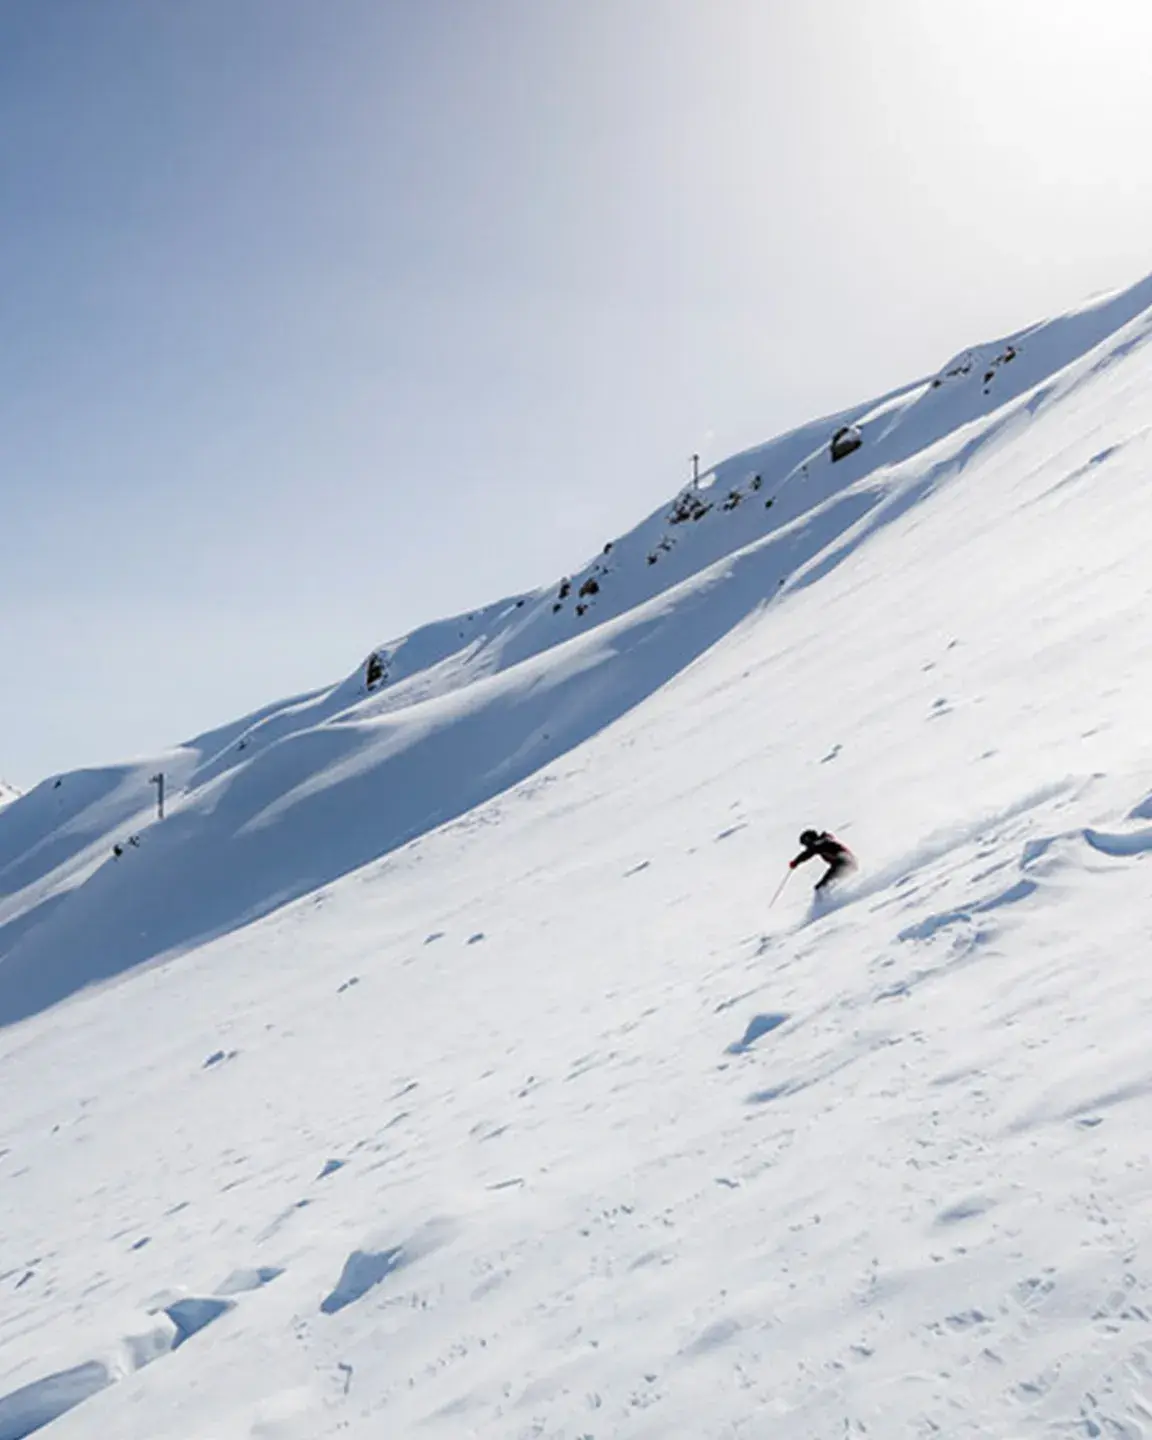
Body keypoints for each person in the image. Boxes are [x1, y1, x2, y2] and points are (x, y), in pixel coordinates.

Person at [789, 829, 855, 891]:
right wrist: (796, 862)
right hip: (844, 863)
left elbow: (808, 853)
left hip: (843, 862)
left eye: (806, 844)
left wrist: (796, 862)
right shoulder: (821, 842)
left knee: (822, 886)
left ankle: (832, 898)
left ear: (808, 840)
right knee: (824, 884)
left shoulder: (821, 843)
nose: (807, 847)